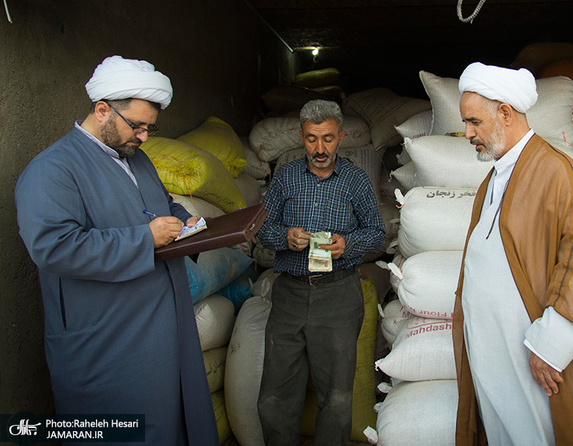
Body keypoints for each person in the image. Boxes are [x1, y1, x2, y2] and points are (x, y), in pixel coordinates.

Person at [15, 56, 219, 446]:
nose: (143, 137)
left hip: (160, 326)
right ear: (103, 109)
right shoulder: (52, 170)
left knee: (171, 424)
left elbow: (159, 207)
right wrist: (145, 239)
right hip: (109, 341)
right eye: (137, 126)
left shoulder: (135, 158)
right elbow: (53, 248)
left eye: (149, 128)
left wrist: (185, 220)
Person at [452, 62, 573, 446]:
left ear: (505, 113)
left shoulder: (554, 170)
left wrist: (551, 347)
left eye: (474, 122)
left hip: (530, 355)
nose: (467, 133)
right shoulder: (496, 176)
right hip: (494, 352)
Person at [256, 100, 385, 446]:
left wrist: (349, 245)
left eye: (328, 139)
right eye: (312, 139)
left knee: (337, 397)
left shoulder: (355, 181)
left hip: (338, 295)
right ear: (301, 136)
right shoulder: (285, 176)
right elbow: (260, 227)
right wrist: (284, 236)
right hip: (290, 295)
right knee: (275, 395)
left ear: (341, 137)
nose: (320, 148)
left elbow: (377, 232)